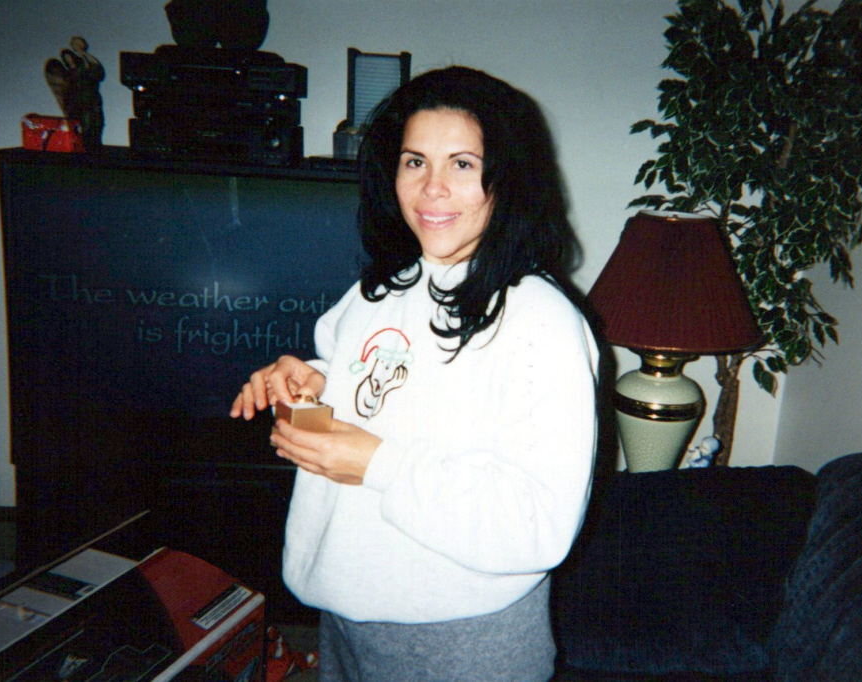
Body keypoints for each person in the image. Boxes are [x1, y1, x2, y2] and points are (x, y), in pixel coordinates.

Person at [231, 65, 599, 681]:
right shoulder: (387, 288)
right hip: (346, 620)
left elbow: (538, 527)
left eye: (461, 164)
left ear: (508, 179)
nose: (431, 189)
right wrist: (315, 380)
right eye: (413, 162)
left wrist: (377, 463)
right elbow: (382, 374)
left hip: (461, 644)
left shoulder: (543, 321)